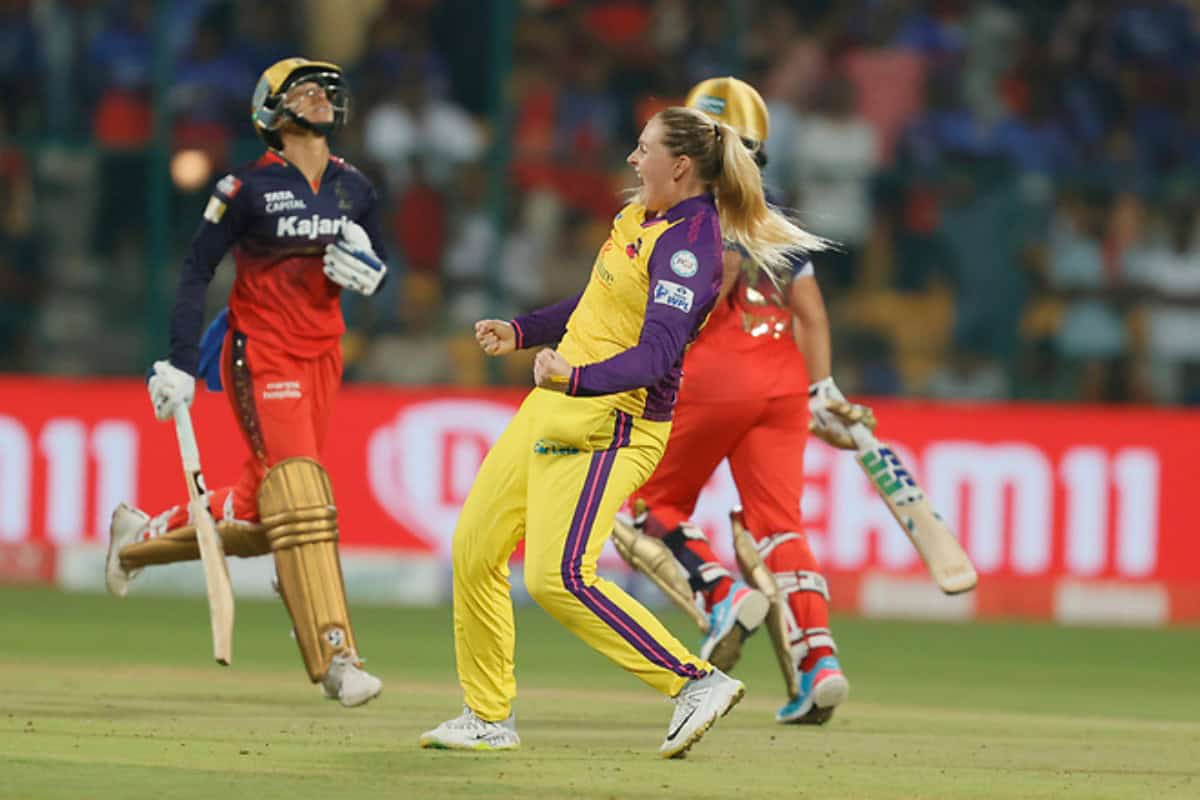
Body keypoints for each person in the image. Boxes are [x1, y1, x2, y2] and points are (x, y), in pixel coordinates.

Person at [419, 106, 816, 758]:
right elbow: (596, 304)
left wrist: (574, 377)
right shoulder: (639, 216)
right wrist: (522, 332)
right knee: (474, 548)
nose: (632, 160)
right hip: (554, 408)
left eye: (643, 149)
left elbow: (658, 355)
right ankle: (488, 715)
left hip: (616, 421)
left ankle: (693, 682)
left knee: (558, 577)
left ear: (679, 165)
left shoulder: (691, 246)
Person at [103, 58, 388, 707]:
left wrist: (375, 272)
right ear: (273, 112)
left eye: (325, 90)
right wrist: (178, 359)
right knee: (303, 493)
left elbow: (374, 259)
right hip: (261, 355)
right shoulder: (244, 189)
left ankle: (138, 540)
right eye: (304, 91)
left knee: (267, 514)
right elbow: (195, 272)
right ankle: (336, 657)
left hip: (322, 355)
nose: (320, 98)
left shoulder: (357, 189)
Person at [622, 77, 876, 726]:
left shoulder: (690, 203)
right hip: (783, 380)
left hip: (711, 374)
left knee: (645, 507)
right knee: (778, 526)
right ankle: (819, 659)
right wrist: (822, 389)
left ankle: (719, 594)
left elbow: (714, 279)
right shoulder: (777, 206)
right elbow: (811, 312)